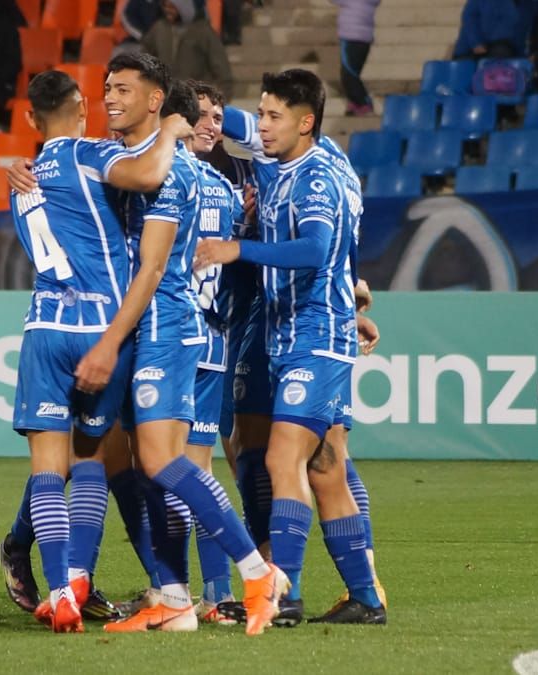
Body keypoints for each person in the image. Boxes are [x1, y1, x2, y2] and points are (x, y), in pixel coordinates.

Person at [69, 53, 286, 636]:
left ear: (155, 101)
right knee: (146, 465)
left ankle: (258, 573)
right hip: (157, 328)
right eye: (106, 88)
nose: (110, 98)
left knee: (164, 461)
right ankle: (172, 598)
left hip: (165, 327)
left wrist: (109, 343)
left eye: (124, 89)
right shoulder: (142, 161)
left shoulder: (170, 171)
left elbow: (154, 265)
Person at [0, 69, 191, 633]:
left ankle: (61, 592)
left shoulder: (23, 178)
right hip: (103, 328)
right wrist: (172, 132)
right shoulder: (89, 154)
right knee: (91, 463)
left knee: (46, 473)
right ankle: (107, 580)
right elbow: (150, 171)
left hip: (43, 328)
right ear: (83, 106)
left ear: (31, 119)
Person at [195, 69, 384, 624]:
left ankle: (286, 592)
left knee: (282, 458)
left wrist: (239, 249)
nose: (263, 126)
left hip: (315, 336)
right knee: (324, 467)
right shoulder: (284, 160)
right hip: (290, 334)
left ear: (306, 122)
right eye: (262, 113)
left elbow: (317, 249)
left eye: (273, 116)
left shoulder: (319, 177)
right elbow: (223, 119)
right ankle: (366, 598)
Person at [184, 81, 245, 622]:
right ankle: (213, 592)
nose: (211, 124)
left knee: (178, 470)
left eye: (218, 116)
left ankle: (198, 591)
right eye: (201, 114)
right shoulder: (224, 188)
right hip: (195, 341)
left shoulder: (219, 187)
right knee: (187, 471)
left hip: (190, 342)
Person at [141, 0, 234, 98]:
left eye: (172, 7)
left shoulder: (203, 31)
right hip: (166, 98)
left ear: (183, 8)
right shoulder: (159, 28)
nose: (167, 10)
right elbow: (144, 60)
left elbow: (222, 70)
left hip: (196, 98)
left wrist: (220, 101)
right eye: (165, 7)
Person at [333, 0, 381, 116]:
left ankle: (363, 102)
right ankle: (355, 103)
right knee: (353, 72)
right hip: (364, 38)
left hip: (350, 37)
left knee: (349, 74)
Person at [454, 0, 525, 59]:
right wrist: (476, 43)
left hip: (500, 47)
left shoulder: (528, 4)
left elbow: (520, 31)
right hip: (472, 49)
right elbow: (469, 17)